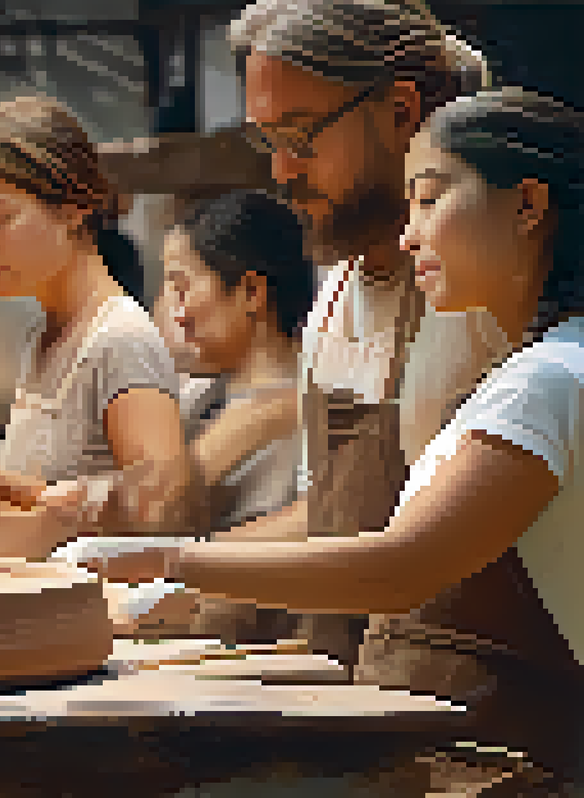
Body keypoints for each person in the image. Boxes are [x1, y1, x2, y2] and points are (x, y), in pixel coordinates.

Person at [89, 87, 584, 794]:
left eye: (431, 200)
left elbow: (400, 568)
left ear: (528, 206)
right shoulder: (544, 365)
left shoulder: (548, 379)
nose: (410, 236)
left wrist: (169, 562)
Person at [205, 0, 497, 675]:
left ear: (400, 111)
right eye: (268, 143)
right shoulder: (337, 287)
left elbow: (422, 555)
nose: (281, 172)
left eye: (300, 137)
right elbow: (331, 515)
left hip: (464, 702)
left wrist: (180, 565)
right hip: (360, 680)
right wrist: (181, 586)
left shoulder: (484, 298)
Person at [0, 93, 192, 541]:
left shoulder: (119, 338)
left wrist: (27, 491)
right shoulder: (44, 334)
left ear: (73, 209)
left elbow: (165, 509)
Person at [151, 189, 315, 642]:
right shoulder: (197, 395)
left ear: (250, 292)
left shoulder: (316, 408)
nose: (176, 314)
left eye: (182, 288)